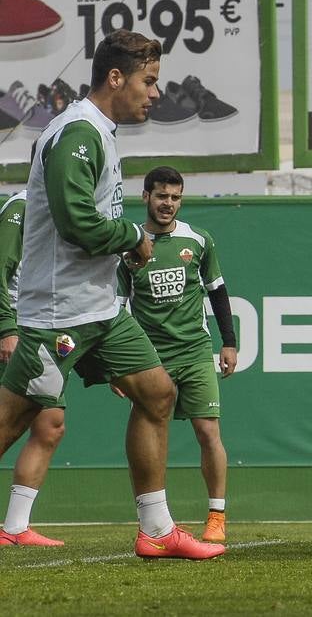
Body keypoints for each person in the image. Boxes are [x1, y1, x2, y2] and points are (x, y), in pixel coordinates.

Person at [0, 30, 224, 559]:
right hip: (60, 313)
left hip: (101, 309)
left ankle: (156, 530)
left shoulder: (97, 130)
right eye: (149, 81)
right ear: (115, 77)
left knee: (158, 393)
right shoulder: (77, 131)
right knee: (12, 422)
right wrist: (133, 239)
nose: (155, 94)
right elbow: (76, 219)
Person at [120, 166, 239, 543]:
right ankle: (160, 518)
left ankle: (217, 516)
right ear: (146, 197)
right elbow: (118, 308)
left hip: (195, 351)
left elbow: (218, 292)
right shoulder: (128, 249)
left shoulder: (199, 240)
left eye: (175, 197)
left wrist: (229, 342)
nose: (168, 204)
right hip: (149, 359)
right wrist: (120, 366)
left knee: (208, 432)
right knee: (154, 437)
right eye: (161, 196)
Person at [0, 190, 67, 547]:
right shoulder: (22, 205)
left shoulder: (64, 207)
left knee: (50, 424)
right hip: (15, 329)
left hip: (42, 326)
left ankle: (14, 527)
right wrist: (5, 329)